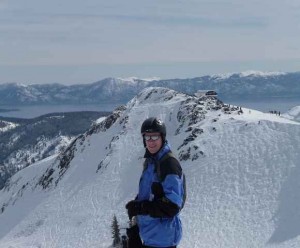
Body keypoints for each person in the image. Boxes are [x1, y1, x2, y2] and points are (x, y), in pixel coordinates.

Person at [125, 117, 184, 248]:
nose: (151, 142)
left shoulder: (168, 164)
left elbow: (173, 205)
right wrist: (137, 207)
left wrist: (141, 208)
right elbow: (150, 193)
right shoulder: (151, 162)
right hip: (151, 234)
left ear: (162, 137)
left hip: (163, 239)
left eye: (155, 137)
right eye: (147, 137)